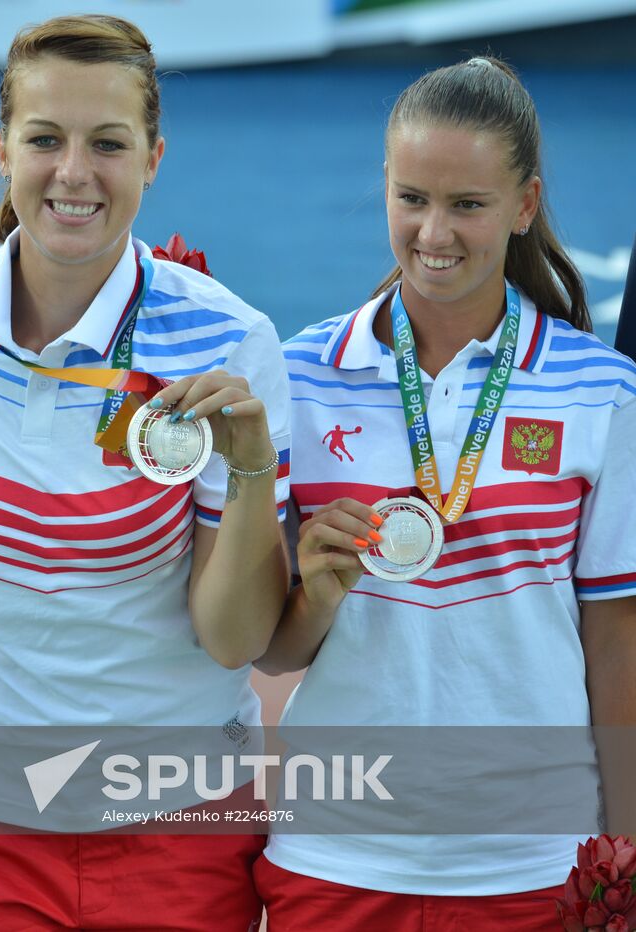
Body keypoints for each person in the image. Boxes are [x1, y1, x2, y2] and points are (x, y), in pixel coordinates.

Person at [0, 14, 291, 930]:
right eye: (44, 140)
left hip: (176, 819)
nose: (73, 172)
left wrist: (253, 468)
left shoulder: (228, 342)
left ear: (153, 157)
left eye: (108, 143)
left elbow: (236, 640)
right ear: (2, 149)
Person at [256, 56, 636, 930]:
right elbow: (273, 653)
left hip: (536, 862)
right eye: (413, 197)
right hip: (336, 854)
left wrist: (624, 853)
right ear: (385, 187)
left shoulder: (600, 391)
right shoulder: (299, 377)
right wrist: (314, 589)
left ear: (525, 206)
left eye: (468, 204)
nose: (435, 231)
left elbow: (616, 643)